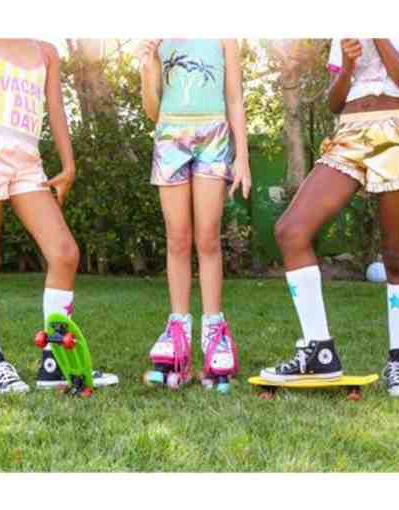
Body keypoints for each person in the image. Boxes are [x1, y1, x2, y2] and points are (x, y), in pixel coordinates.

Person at [260, 38, 399, 397]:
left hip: (394, 131)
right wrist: (347, 65)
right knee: (291, 231)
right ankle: (320, 351)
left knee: (396, 254)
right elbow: (334, 101)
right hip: (349, 133)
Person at [0, 39, 117, 393]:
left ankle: (54, 362)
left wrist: (68, 164)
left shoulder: (46, 52)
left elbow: (55, 108)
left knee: (64, 253)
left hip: (27, 161)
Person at [139, 39, 250, 390]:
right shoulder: (158, 37)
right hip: (169, 137)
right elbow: (152, 111)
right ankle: (178, 335)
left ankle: (215, 333)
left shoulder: (224, 36)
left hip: (214, 137)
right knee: (178, 239)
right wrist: (147, 69)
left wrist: (243, 157)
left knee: (207, 238)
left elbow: (234, 98)